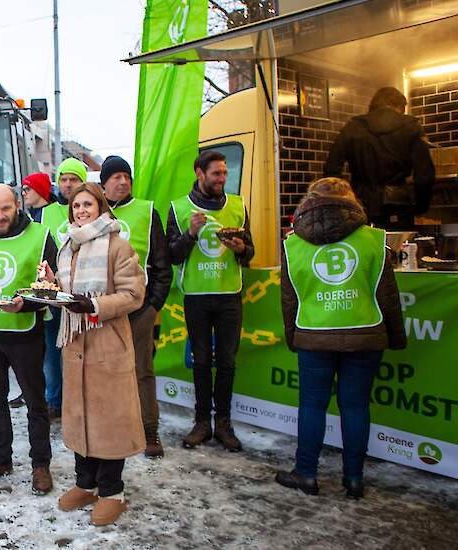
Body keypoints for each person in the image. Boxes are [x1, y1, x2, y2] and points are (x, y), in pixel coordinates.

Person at [276, 177, 406, 499]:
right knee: (356, 405)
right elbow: (388, 295)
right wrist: (396, 337)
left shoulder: (293, 245)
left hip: (313, 334)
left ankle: (306, 473)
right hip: (365, 333)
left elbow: (289, 300)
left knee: (312, 405)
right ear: (352, 200)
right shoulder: (373, 240)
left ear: (308, 202)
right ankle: (354, 479)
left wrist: (293, 337)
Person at [43, 182, 147, 526]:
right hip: (75, 344)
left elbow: (134, 294)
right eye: (76, 206)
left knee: (109, 421)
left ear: (101, 208)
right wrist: (51, 284)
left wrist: (95, 305)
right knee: (79, 417)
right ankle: (85, 483)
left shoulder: (117, 245)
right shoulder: (68, 246)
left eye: (87, 204)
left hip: (108, 343)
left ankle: (112, 492)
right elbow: (67, 293)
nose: (81, 211)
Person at [0, 184, 58, 495]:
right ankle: (1, 458)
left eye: (5, 208)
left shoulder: (40, 235)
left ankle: (40, 464)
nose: (0, 215)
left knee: (35, 401)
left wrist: (25, 304)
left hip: (25, 331)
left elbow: (51, 287)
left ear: (17, 205)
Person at [167, 150, 255, 452]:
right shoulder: (179, 208)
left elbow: (250, 252)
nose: (222, 179)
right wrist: (191, 233)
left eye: (224, 173)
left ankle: (224, 423)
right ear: (199, 173)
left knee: (228, 361)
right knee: (201, 361)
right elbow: (172, 255)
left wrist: (241, 248)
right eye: (216, 173)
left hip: (229, 294)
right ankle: (202, 422)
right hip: (196, 296)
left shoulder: (238, 206)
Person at [99, 155, 173, 458]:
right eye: (116, 177)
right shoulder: (94, 213)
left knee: (142, 371)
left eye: (126, 176)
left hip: (139, 309)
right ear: (103, 184)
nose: (123, 181)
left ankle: (149, 430)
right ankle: (113, 428)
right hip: (104, 309)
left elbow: (162, 264)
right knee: (105, 371)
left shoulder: (146, 210)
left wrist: (153, 305)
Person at [12, 159, 87, 411]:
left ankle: (66, 399)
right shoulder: (45, 213)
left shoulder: (91, 211)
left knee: (73, 350)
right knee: (49, 349)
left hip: (84, 293)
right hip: (52, 291)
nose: (68, 184)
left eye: (73, 179)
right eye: (63, 179)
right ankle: (50, 398)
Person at [324, 86, 435, 230]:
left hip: (360, 202)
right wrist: (421, 205)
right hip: (398, 202)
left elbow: (331, 168)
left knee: (363, 242)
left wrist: (342, 199)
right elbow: (424, 174)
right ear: (398, 106)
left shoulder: (353, 127)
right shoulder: (411, 127)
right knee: (398, 242)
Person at [21, 171, 63, 419]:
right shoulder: (26, 217)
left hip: (50, 292)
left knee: (51, 350)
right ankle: (37, 394)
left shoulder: (55, 214)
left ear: (40, 190)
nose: (24, 193)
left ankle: (54, 399)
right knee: (35, 351)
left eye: (28, 188)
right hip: (29, 293)